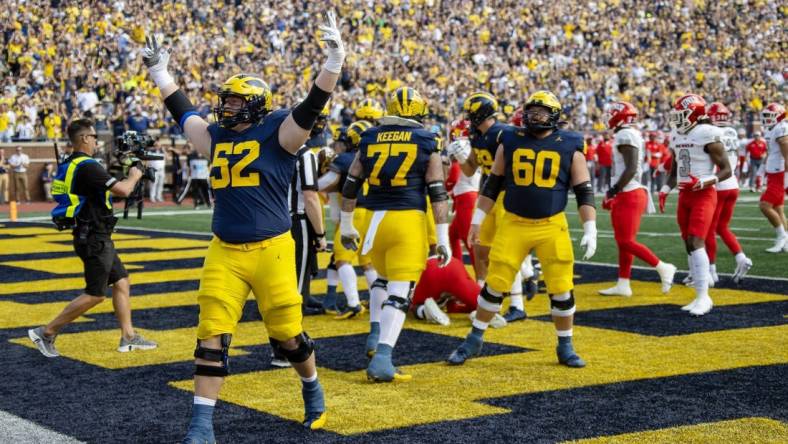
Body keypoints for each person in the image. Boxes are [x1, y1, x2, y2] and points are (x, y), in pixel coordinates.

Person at [143, 11, 345, 438]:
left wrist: (333, 64)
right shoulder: (215, 135)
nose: (225, 106)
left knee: (289, 336)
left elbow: (311, 107)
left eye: (234, 101)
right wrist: (160, 72)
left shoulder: (280, 133)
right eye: (226, 100)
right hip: (225, 249)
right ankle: (200, 425)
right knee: (211, 335)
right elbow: (184, 113)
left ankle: (312, 388)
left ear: (254, 104)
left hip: (272, 248)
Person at [447, 90, 597, 368]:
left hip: (552, 224)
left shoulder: (571, 143)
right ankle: (474, 339)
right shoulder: (511, 139)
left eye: (541, 112)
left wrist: (590, 227)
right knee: (494, 285)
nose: (535, 116)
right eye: (531, 111)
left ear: (554, 115)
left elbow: (584, 189)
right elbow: (491, 184)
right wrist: (477, 221)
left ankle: (565, 345)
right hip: (514, 222)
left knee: (562, 289)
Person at [339, 86, 451, 382]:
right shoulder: (427, 139)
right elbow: (437, 190)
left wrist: (347, 224)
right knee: (400, 293)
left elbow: (351, 184)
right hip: (407, 221)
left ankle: (374, 336)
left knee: (381, 280)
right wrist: (442, 237)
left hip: (373, 221)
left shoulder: (369, 136)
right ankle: (383, 360)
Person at [28, 119, 157, 358]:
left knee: (122, 281)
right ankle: (46, 332)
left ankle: (128, 337)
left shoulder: (73, 163)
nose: (97, 140)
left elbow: (103, 190)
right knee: (96, 294)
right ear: (85, 138)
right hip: (94, 237)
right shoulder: (87, 165)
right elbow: (124, 190)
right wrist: (135, 174)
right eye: (94, 136)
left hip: (94, 234)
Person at [446, 92, 528, 323]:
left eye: (471, 113)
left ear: (481, 112)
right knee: (481, 251)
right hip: (487, 196)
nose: (468, 118)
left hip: (507, 195)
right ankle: (483, 299)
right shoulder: (477, 135)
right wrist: (462, 158)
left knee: (504, 251)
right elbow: (471, 170)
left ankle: (517, 305)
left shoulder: (506, 133)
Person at [659, 94, 732, 316]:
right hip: (685, 194)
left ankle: (703, 296)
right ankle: (698, 294)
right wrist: (665, 189)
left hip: (704, 193)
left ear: (695, 114)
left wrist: (707, 180)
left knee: (696, 240)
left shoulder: (707, 133)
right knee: (688, 243)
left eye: (682, 114)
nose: (678, 119)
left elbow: (727, 169)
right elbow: (675, 169)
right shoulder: (677, 135)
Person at [598, 101, 676, 297]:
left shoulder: (625, 134)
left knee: (625, 241)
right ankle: (623, 283)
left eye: (611, 113)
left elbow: (631, 168)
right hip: (629, 191)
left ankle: (662, 267)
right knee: (623, 240)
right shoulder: (628, 133)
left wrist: (613, 190)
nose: (608, 116)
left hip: (630, 192)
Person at [318, 120, 375, 319]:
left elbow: (327, 183)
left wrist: (309, 182)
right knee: (367, 261)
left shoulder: (345, 159)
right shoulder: (374, 156)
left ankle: (353, 304)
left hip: (353, 212)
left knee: (342, 259)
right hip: (371, 213)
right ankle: (378, 302)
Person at [704, 103, 753, 281]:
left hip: (718, 183)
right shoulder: (732, 131)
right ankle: (741, 258)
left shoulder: (711, 132)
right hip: (733, 184)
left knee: (709, 229)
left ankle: (711, 270)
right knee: (722, 227)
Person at [289, 118, 328, 316]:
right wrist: (320, 233)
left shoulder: (276, 150)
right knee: (299, 264)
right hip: (297, 218)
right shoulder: (305, 154)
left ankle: (304, 294)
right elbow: (310, 197)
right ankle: (296, 306)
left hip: (276, 217)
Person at [411, 255, 507, 329]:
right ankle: (480, 313)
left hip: (427, 270)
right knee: (487, 304)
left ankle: (424, 311)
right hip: (452, 266)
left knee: (413, 305)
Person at [759, 103, 788, 253]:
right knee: (778, 208)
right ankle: (787, 241)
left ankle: (781, 236)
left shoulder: (782, 127)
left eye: (770, 116)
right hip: (773, 171)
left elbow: (786, 150)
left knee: (765, 205)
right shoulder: (773, 129)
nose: (767, 120)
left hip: (779, 171)